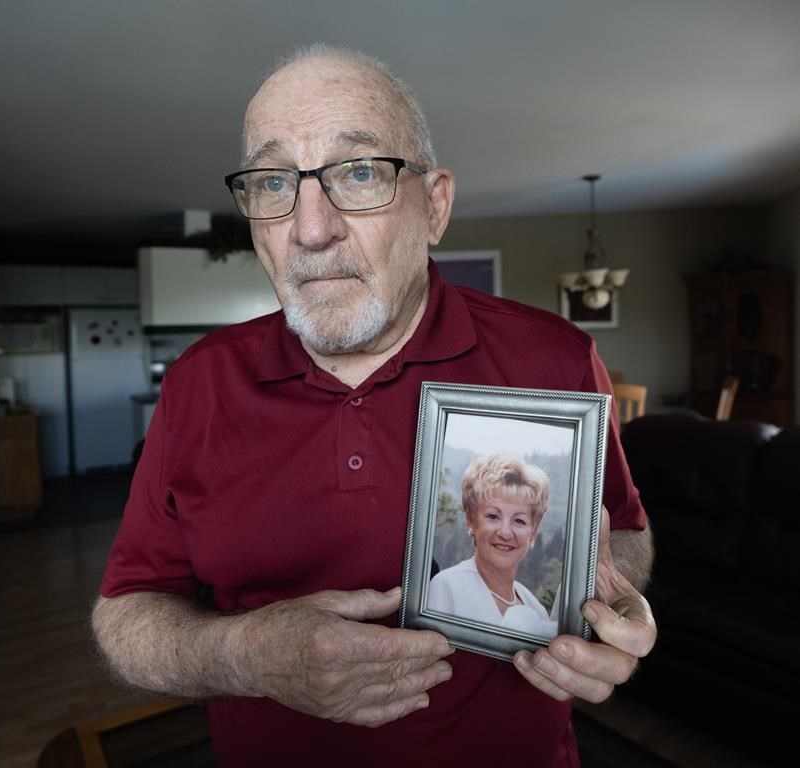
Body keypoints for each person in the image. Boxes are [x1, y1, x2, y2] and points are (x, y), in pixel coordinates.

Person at [92, 43, 656, 766]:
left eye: (359, 172)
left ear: (435, 205)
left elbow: (627, 533)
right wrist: (244, 656)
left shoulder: (555, 359)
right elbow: (124, 614)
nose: (311, 228)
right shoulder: (198, 385)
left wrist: (610, 599)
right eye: (273, 183)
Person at [428, 453, 558, 638]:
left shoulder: (535, 607)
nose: (505, 533)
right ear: (471, 521)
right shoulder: (446, 587)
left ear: (533, 531)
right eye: (493, 516)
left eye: (519, 521)